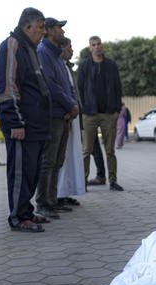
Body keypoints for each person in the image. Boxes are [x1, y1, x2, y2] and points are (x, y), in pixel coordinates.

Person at [0, 7, 51, 233]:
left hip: (36, 126)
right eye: (39, 29)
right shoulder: (12, 46)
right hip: (22, 125)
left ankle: (26, 210)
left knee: (31, 171)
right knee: (20, 171)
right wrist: (15, 122)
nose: (42, 33)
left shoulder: (31, 49)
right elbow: (8, 87)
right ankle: (18, 217)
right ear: (27, 27)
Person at [34, 18, 79, 220]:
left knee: (57, 161)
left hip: (64, 115)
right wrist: (70, 105)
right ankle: (43, 203)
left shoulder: (56, 56)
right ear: (50, 31)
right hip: (53, 115)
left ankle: (52, 201)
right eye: (59, 27)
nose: (62, 30)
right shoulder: (43, 52)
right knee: (48, 161)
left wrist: (72, 106)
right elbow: (51, 86)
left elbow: (67, 86)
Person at [78, 36, 124, 191]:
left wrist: (117, 109)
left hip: (108, 113)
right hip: (90, 114)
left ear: (102, 46)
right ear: (90, 47)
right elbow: (80, 89)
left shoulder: (111, 65)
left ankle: (113, 181)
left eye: (98, 44)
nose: (97, 47)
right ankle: (82, 182)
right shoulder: (84, 66)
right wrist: (84, 108)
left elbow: (118, 88)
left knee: (110, 150)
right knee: (86, 150)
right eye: (93, 45)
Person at [57, 37, 86, 206]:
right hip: (64, 115)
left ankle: (66, 192)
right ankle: (58, 195)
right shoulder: (56, 64)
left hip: (73, 115)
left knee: (70, 157)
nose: (72, 50)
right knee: (61, 158)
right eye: (70, 47)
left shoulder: (67, 67)